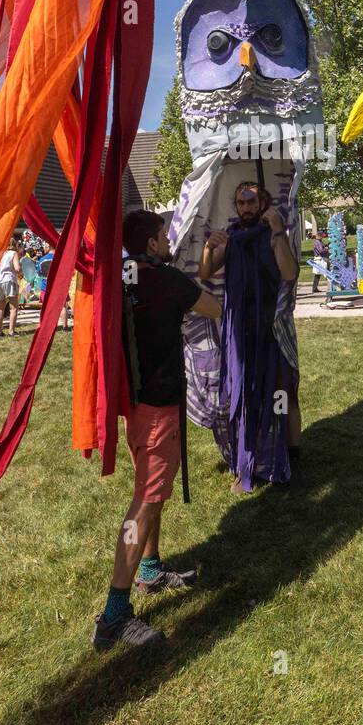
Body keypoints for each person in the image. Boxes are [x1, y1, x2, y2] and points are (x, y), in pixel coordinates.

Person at [93, 210, 220, 650]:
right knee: (145, 502)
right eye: (165, 235)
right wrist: (207, 264)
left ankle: (149, 571)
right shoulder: (165, 280)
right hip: (158, 407)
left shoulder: (124, 277)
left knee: (153, 490)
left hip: (135, 403)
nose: (169, 241)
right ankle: (114, 614)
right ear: (151, 243)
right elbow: (212, 306)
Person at [199, 180, 300, 491]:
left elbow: (289, 273)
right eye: (241, 203)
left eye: (251, 202)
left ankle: (288, 453)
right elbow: (205, 273)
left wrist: (279, 232)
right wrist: (207, 248)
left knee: (282, 391)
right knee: (242, 395)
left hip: (271, 327)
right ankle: (248, 460)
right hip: (238, 329)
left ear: (263, 204)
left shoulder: (273, 234)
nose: (246, 208)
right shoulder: (232, 237)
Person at [0, 237, 22, 337]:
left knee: (0, 307)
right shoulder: (13, 253)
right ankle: (11, 331)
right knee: (13, 308)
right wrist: (21, 270)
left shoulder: (0, 254)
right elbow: (17, 268)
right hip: (8, 280)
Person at [310, 229, 328, 294]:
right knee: (325, 273)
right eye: (322, 235)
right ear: (320, 236)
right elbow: (321, 250)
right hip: (319, 259)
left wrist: (326, 245)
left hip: (319, 259)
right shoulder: (317, 242)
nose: (323, 237)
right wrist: (326, 249)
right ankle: (330, 286)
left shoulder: (319, 241)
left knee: (317, 274)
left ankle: (314, 288)